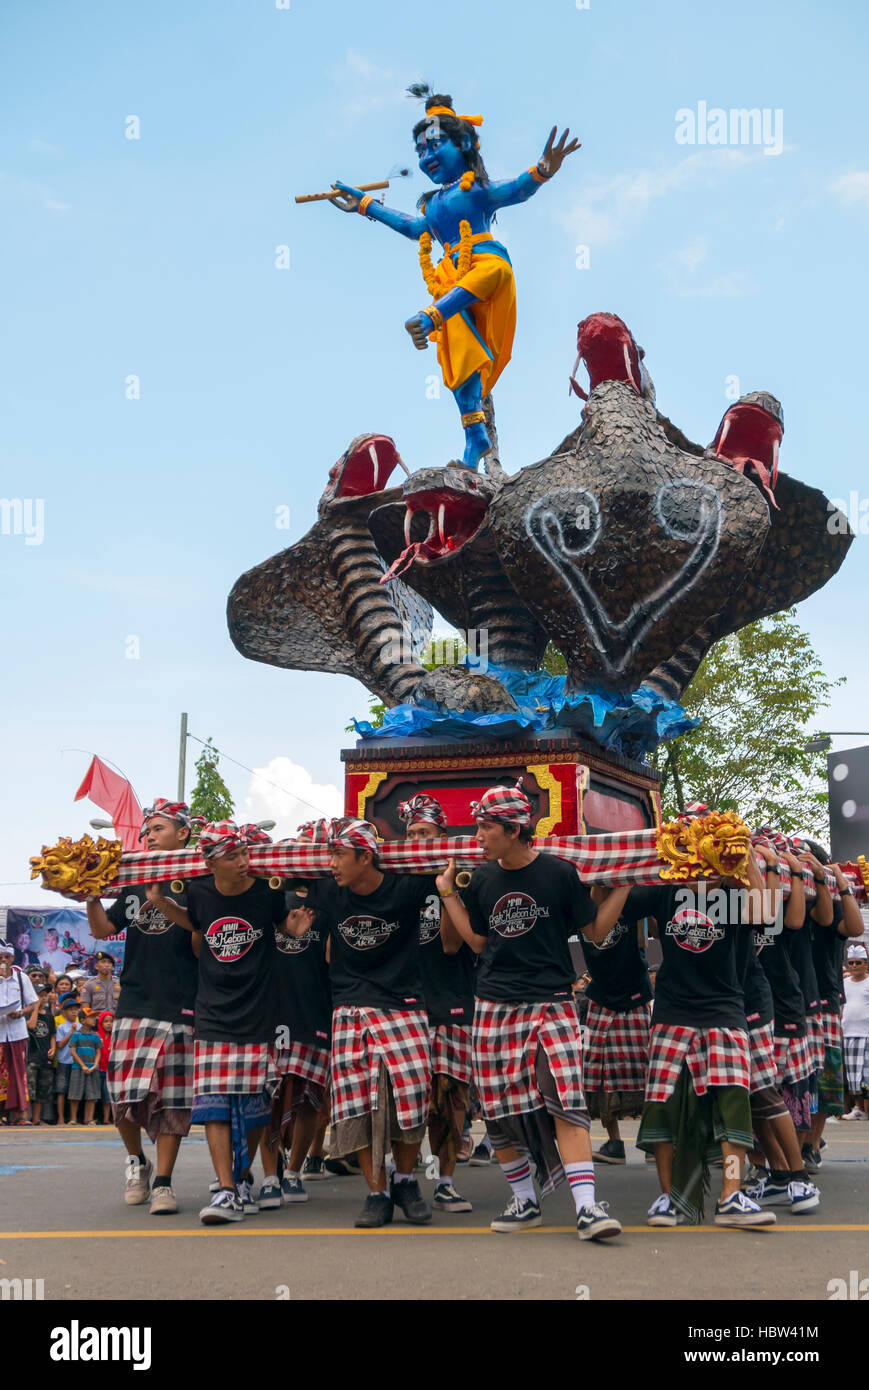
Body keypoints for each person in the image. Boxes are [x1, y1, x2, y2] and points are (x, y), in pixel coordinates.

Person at [330, 87, 579, 470]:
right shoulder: (432, 203)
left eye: (434, 146)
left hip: (484, 266)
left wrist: (544, 167)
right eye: (421, 152)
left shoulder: (475, 190)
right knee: (459, 349)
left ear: (463, 143)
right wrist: (364, 205)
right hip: (450, 281)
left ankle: (430, 317)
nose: (427, 157)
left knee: (491, 272)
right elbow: (413, 227)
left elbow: (516, 190)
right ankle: (474, 440)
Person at [437, 781, 631, 1241]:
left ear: (512, 828)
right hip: (494, 1004)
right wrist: (448, 894)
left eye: (485, 827)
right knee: (500, 1109)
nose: (477, 835)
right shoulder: (481, 879)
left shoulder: (559, 874)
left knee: (565, 1097)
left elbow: (596, 932)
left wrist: (623, 884)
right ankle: (525, 1201)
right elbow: (479, 943)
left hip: (553, 1003)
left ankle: (587, 1209)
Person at [145, 819, 313, 1225]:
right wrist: (165, 905)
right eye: (233, 856)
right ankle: (225, 1190)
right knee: (214, 1105)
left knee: (255, 1107)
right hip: (213, 1013)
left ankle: (241, 1178)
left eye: (243, 853)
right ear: (212, 862)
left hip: (258, 1012)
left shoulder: (267, 893)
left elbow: (283, 928)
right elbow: (197, 922)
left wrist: (290, 930)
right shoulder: (200, 892)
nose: (243, 861)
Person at [633, 841, 778, 1228]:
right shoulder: (666, 891)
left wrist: (744, 858)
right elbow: (612, 905)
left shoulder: (733, 895)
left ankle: (731, 1196)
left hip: (725, 1012)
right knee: (663, 1106)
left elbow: (767, 915)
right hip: (672, 1013)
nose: (699, 856)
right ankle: (668, 1199)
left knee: (734, 1106)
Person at [302, 817, 437, 1230]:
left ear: (366, 856)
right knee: (354, 1101)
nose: (332, 863)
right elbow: (280, 870)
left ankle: (405, 1180)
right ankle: (376, 1192)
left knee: (414, 1091)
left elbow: (447, 865)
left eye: (340, 854)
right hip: (350, 1005)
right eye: (329, 855)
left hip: (404, 1002)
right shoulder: (328, 889)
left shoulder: (407, 887)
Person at [86, 798, 202, 1215]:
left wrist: (169, 904)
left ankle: (165, 1184)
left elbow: (203, 939)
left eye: (157, 829)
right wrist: (91, 896)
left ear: (183, 834)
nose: (148, 836)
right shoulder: (133, 881)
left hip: (181, 1002)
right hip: (133, 1000)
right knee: (122, 1094)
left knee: (172, 1098)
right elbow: (103, 928)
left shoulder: (199, 881)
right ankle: (137, 1161)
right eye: (146, 831)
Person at [400, 793, 475, 1214]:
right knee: (411, 1099)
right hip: (405, 1003)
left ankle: (446, 1182)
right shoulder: (397, 878)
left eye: (424, 833)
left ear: (441, 836)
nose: (417, 841)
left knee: (451, 1101)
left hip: (452, 999)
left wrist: (448, 888)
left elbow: (450, 944)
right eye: (411, 834)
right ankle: (403, 1178)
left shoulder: (463, 875)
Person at [736, 841, 820, 1214]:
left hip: (769, 1005)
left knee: (772, 1095)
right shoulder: (712, 895)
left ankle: (799, 1174)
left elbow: (773, 913)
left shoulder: (764, 903)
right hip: (727, 1006)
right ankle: (778, 1175)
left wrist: (772, 865)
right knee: (752, 1101)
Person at [266, 819, 333, 1207]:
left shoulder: (331, 898)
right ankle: (269, 1174)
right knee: (270, 1099)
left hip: (315, 1008)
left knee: (309, 1099)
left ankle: (294, 1170)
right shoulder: (271, 896)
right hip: (272, 1011)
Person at [581, 891, 652, 1166]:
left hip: (634, 993)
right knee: (599, 1075)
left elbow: (645, 937)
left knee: (646, 1072)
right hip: (601, 996)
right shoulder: (582, 907)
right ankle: (614, 1142)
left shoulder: (631, 900)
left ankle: (652, 1140)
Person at [0, 939, 39, 1124]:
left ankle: (20, 1114)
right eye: (0, 957)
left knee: (18, 1073)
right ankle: (1, 1114)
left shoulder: (21, 978)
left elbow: (32, 1003)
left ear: (13, 958)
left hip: (17, 1031)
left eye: (7, 957)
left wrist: (21, 1012)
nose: (4, 960)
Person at [842, 944, 869, 1119]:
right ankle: (858, 1108)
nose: (853, 966)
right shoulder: (843, 983)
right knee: (853, 1075)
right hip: (849, 1033)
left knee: (867, 1074)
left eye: (857, 963)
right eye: (850, 963)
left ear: (866, 964)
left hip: (866, 1033)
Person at [26, 984, 57, 1125]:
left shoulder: (49, 1016)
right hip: (31, 1056)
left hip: (45, 1056)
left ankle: (37, 1119)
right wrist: (35, 1008)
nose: (43, 998)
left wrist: (53, 1048)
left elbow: (52, 1034)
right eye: (40, 995)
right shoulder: (27, 1012)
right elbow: (31, 1026)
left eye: (45, 995)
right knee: (29, 1089)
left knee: (42, 1090)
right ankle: (25, 1118)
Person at [68, 1011, 102, 1126]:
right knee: (75, 1093)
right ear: (82, 1021)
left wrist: (94, 1065)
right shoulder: (76, 1035)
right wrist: (82, 1065)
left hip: (92, 1068)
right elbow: (72, 1051)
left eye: (94, 1017)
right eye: (91, 1017)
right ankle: (73, 1119)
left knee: (91, 1094)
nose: (94, 1019)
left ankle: (89, 1119)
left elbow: (98, 1052)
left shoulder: (96, 1035)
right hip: (78, 1067)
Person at [54, 993, 80, 1126]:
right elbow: (60, 1044)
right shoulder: (61, 1027)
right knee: (61, 1091)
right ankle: (60, 1118)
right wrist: (71, 1032)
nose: (74, 1012)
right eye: (71, 1010)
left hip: (77, 1063)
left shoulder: (81, 1027)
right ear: (64, 1012)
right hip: (64, 1061)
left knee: (74, 1091)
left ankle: (73, 1118)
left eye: (76, 1010)